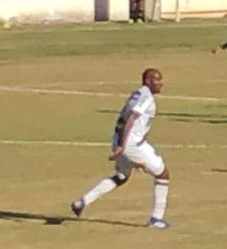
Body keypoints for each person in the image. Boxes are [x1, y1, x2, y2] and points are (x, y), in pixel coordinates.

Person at [70, 69, 172, 228]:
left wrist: (118, 142)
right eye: (157, 80)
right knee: (162, 174)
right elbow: (131, 118)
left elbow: (122, 118)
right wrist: (123, 147)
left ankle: (82, 202)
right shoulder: (146, 97)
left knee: (122, 176)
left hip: (122, 140)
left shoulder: (138, 93)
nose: (161, 83)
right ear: (147, 81)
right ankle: (156, 218)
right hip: (132, 144)